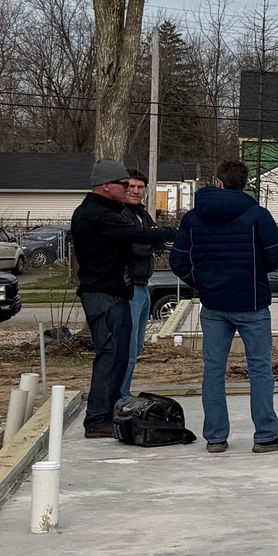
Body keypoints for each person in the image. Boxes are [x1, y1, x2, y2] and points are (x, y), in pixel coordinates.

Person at [170, 159, 278, 455]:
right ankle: (265, 435)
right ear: (245, 184)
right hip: (252, 302)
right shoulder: (257, 214)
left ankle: (215, 437)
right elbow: (277, 256)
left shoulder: (192, 218)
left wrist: (200, 282)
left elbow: (178, 261)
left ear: (217, 182)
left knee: (213, 371)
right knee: (260, 369)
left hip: (213, 304)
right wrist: (254, 271)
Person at [68, 160, 179, 438]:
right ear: (107, 187)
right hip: (103, 295)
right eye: (123, 184)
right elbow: (137, 235)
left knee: (119, 355)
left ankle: (107, 413)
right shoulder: (98, 214)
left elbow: (140, 233)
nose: (129, 189)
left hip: (114, 292)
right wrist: (174, 234)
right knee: (110, 355)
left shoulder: (106, 210)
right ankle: (97, 420)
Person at [118, 169, 156, 408]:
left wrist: (150, 239)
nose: (135, 191)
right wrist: (149, 240)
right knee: (127, 348)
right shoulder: (120, 215)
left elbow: (156, 240)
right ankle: (121, 396)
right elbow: (135, 248)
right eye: (130, 186)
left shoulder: (142, 214)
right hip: (128, 288)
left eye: (140, 187)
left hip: (144, 286)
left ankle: (125, 391)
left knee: (138, 345)